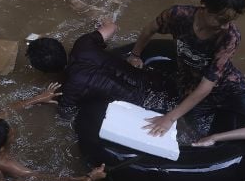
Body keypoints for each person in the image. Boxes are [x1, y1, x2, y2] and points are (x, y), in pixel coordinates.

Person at [125, 0, 245, 137]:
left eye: (230, 20)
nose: (225, 25)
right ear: (204, 4)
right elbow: (150, 29)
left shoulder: (229, 36)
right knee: (198, 137)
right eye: (221, 19)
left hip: (229, 86)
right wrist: (135, 54)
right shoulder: (178, 15)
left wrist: (169, 118)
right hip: (191, 85)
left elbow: (207, 85)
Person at [26, 19, 172, 118]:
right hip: (159, 82)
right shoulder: (83, 43)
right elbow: (112, 26)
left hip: (150, 108)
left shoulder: (70, 89)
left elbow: (65, 114)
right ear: (60, 45)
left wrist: (43, 98)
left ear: (45, 72)